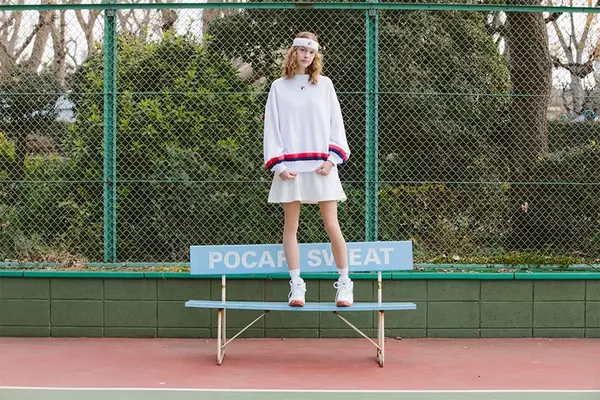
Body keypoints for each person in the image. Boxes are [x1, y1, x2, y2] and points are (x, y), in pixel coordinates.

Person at [263, 32, 353, 307]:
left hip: (321, 166)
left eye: (311, 52)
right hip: (290, 168)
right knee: (291, 226)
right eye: (302, 50)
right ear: (294, 52)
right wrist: (278, 164)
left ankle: (345, 284)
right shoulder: (278, 87)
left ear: (315, 56)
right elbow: (272, 126)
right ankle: (296, 286)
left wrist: (332, 159)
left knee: (332, 224)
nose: (306, 55)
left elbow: (336, 123)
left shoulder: (325, 85)